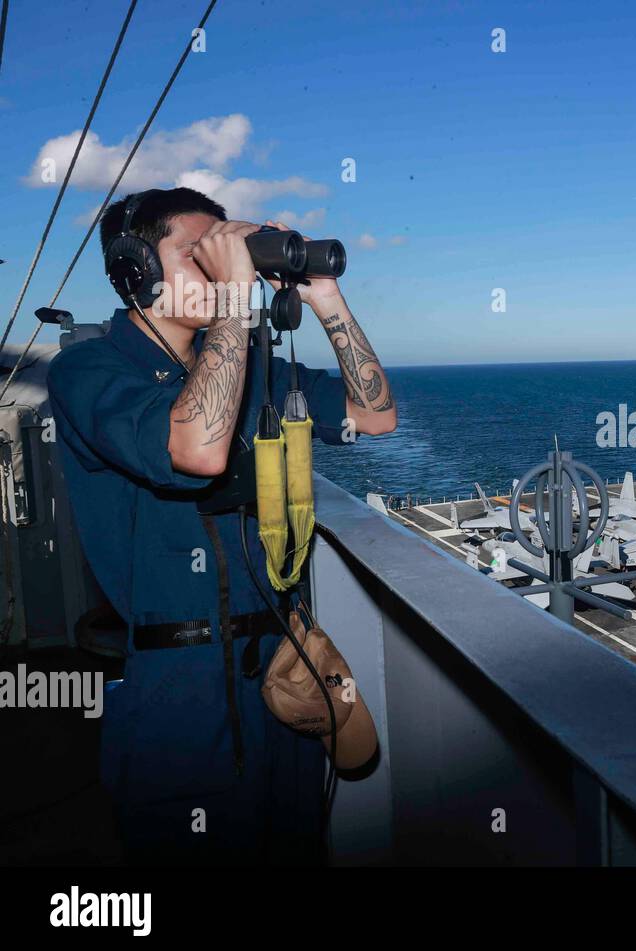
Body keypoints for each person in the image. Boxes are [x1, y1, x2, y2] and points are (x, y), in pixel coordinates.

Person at [46, 187, 397, 864]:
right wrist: (238, 298)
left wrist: (324, 296)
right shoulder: (87, 371)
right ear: (134, 268)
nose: (217, 267)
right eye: (196, 253)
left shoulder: (254, 365)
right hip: (177, 697)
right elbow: (196, 449)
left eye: (225, 250)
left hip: (283, 679)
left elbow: (373, 416)